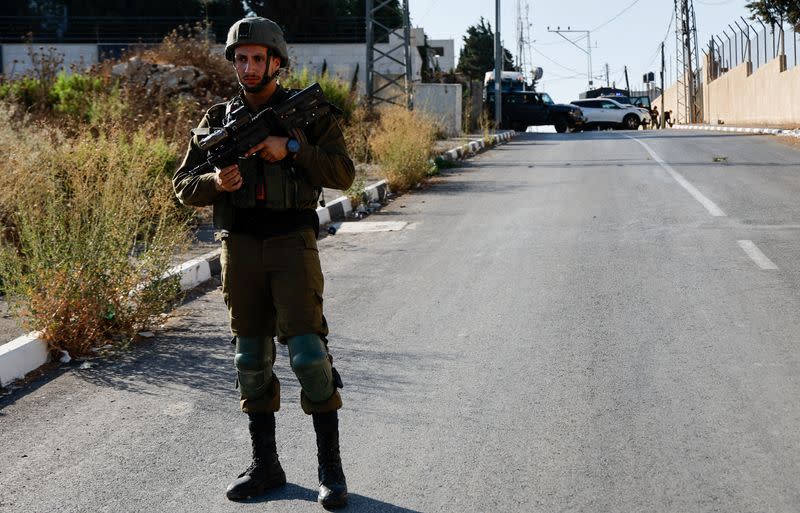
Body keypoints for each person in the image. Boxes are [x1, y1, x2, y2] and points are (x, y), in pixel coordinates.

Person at [172, 16, 355, 508]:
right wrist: (217, 184)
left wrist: (290, 147)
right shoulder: (215, 121)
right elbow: (182, 184)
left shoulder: (308, 115)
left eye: (258, 58)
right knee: (250, 360)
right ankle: (266, 466)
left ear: (276, 61)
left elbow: (344, 172)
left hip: (292, 243)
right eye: (241, 58)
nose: (248, 67)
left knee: (309, 357)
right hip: (239, 247)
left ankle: (330, 471)